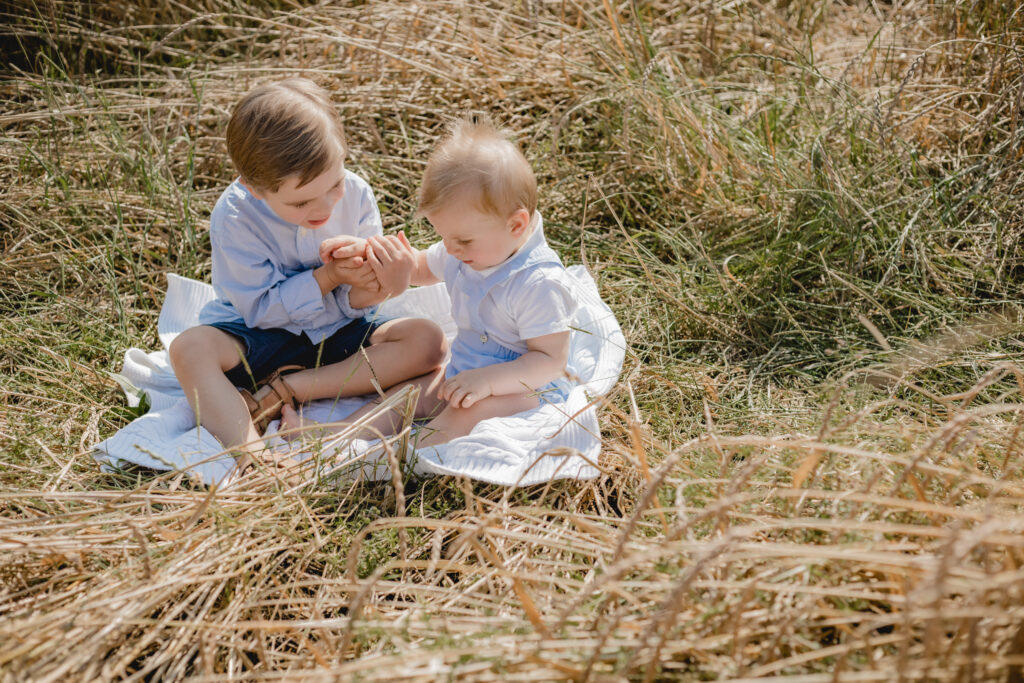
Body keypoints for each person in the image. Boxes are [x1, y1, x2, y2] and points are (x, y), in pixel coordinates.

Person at [168, 78, 447, 471]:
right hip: (259, 338)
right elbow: (261, 309)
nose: (326, 208)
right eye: (301, 201)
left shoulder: (356, 193)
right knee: (188, 348)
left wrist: (384, 283)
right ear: (254, 188)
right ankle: (255, 458)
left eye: (334, 185)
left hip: (338, 336)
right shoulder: (235, 216)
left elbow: (357, 304)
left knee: (429, 342)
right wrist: (329, 277)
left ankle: (288, 394)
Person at [280, 116, 578, 454]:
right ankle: (334, 438)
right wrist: (374, 254)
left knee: (461, 417)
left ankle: (397, 458)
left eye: (462, 239)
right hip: (463, 373)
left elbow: (549, 360)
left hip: (521, 391)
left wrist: (488, 382)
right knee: (405, 397)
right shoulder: (466, 249)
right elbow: (420, 267)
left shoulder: (538, 283)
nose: (450, 249)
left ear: (516, 224)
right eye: (443, 237)